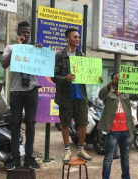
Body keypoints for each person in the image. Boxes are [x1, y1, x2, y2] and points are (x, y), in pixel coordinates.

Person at [52, 28, 103, 162]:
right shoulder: (60, 56)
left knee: (82, 123)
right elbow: (53, 77)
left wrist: (97, 78)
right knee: (65, 123)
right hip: (65, 96)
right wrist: (65, 79)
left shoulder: (82, 55)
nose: (78, 39)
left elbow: (88, 75)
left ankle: (81, 149)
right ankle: (67, 151)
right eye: (75, 37)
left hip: (80, 95)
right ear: (67, 38)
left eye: (79, 37)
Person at [1, 21, 41, 170]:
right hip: (16, 91)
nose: (26, 34)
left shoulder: (35, 49)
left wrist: (40, 52)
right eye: (23, 32)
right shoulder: (11, 48)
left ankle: (29, 157)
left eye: (28, 33)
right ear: (18, 34)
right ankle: (15, 158)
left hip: (31, 91)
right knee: (15, 124)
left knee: (30, 124)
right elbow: (4, 64)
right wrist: (17, 48)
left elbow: (44, 64)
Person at [99, 72, 138, 179]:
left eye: (119, 77)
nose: (118, 79)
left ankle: (126, 177)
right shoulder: (108, 91)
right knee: (108, 158)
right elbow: (100, 95)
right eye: (115, 77)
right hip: (112, 130)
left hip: (126, 130)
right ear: (112, 79)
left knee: (125, 157)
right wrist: (110, 83)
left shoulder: (126, 91)